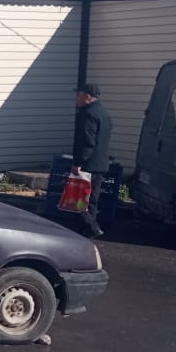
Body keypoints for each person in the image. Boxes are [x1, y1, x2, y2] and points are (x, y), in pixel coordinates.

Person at [71, 83, 113, 239]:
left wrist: (78, 163)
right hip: (100, 164)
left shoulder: (87, 114)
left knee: (79, 201)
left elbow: (87, 142)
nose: (77, 98)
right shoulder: (104, 113)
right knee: (92, 201)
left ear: (87, 96)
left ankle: (92, 227)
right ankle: (87, 232)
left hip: (87, 165)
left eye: (79, 94)